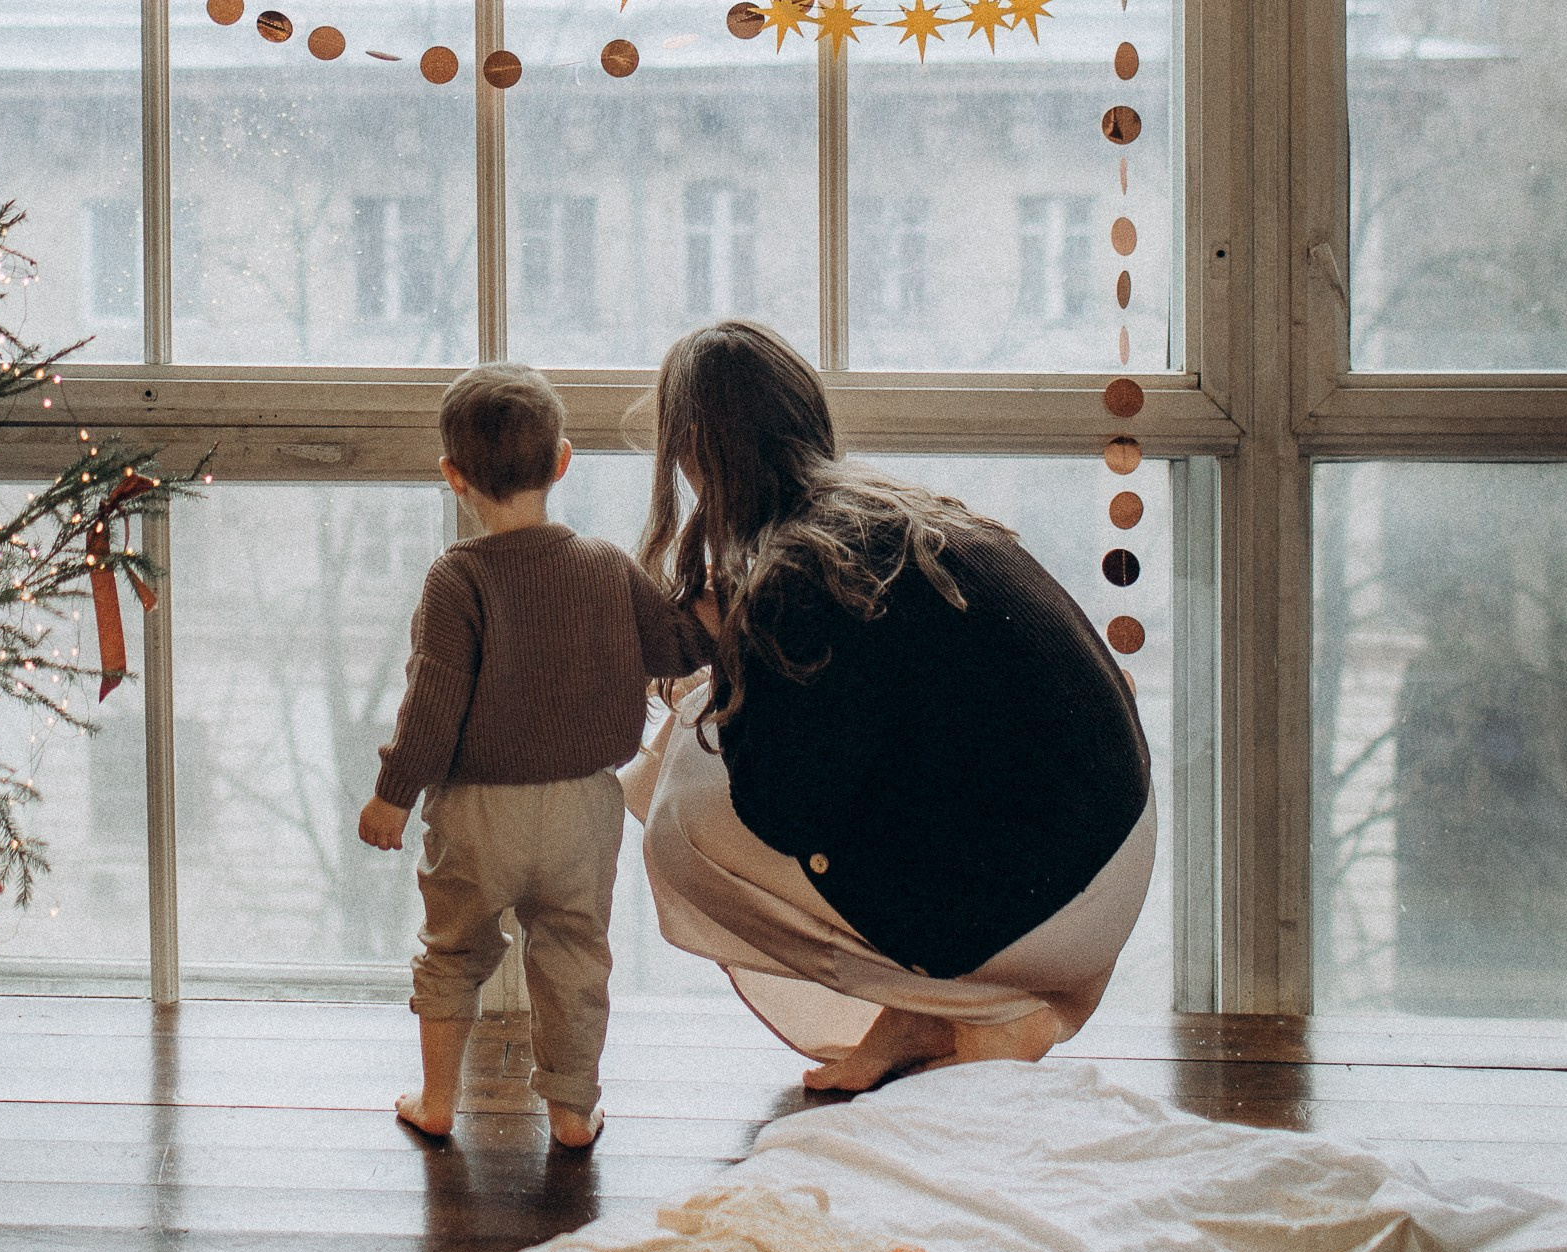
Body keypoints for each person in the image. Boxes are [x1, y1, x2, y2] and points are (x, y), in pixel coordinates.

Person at [633, 320, 1154, 1097]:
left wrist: (728, 653)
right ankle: (913, 1016)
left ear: (690, 453)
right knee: (702, 742)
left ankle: (982, 1006)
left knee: (676, 822)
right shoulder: (898, 512)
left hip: (1048, 903)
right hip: (1113, 851)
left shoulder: (797, 569)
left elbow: (784, 811)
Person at [358, 363, 710, 1151]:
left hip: (478, 810)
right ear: (561, 461)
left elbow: (432, 701)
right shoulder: (606, 564)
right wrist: (716, 593)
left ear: (453, 476)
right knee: (575, 957)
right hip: (585, 806)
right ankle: (571, 1113)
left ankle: (440, 1100)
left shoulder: (458, 578)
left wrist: (393, 795)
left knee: (452, 953)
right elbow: (680, 647)